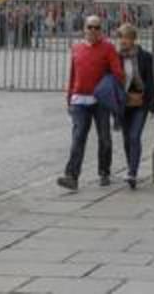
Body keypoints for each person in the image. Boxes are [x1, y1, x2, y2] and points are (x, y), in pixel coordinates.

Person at [56, 15, 123, 192]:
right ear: (84, 29)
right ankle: (72, 176)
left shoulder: (108, 48)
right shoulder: (76, 48)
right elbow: (73, 75)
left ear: (101, 30)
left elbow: (118, 73)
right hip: (79, 100)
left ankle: (104, 171)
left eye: (97, 27)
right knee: (78, 138)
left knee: (104, 138)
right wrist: (69, 98)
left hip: (100, 101)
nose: (93, 30)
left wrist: (108, 86)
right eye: (90, 27)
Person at [115, 24, 154, 189]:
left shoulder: (145, 56)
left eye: (126, 37)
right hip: (124, 104)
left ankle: (132, 172)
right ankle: (131, 165)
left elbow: (150, 81)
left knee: (134, 136)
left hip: (140, 102)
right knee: (126, 139)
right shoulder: (116, 57)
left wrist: (152, 102)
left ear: (133, 39)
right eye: (121, 37)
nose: (123, 41)